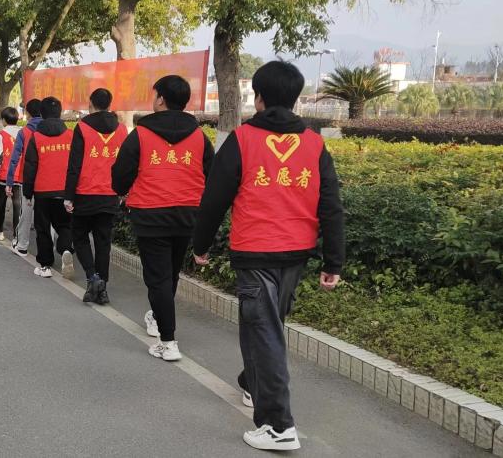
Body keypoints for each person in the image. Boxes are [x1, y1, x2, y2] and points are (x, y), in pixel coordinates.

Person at [191, 61, 345, 451]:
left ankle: (278, 425)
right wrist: (333, 261)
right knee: (266, 327)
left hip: (255, 251)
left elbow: (214, 200)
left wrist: (201, 245)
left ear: (258, 98)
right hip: (296, 254)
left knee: (264, 332)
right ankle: (252, 384)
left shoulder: (242, 140)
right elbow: (331, 205)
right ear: (293, 98)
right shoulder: (314, 144)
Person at [112, 75, 213, 362]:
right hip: (187, 214)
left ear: (160, 99)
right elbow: (213, 176)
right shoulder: (199, 137)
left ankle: (167, 342)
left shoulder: (141, 135)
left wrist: (123, 190)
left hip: (150, 215)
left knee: (158, 278)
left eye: (154, 94)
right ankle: (158, 318)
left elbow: (120, 177)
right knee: (170, 273)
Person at [63, 88, 124, 304]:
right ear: (109, 104)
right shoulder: (122, 130)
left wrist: (68, 196)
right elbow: (125, 164)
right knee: (103, 242)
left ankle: (93, 277)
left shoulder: (82, 127)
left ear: (91, 104)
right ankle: (102, 287)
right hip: (110, 194)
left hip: (85, 193)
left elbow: (74, 165)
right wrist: (122, 191)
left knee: (79, 236)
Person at [23, 96, 74, 279]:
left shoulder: (36, 137)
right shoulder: (71, 136)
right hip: (65, 190)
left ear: (42, 114)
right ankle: (66, 249)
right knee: (65, 225)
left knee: (43, 228)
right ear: (60, 113)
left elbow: (30, 167)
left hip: (42, 191)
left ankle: (45, 266)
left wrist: (27, 192)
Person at [5, 99, 42, 257]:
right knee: (47, 216)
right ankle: (51, 249)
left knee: (25, 214)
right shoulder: (49, 130)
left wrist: (9, 181)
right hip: (47, 180)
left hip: (26, 179)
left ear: (27, 113)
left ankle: (22, 246)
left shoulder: (24, 132)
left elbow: (14, 159)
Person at [0, 107, 22, 241]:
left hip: (4, 175)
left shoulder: (1, 135)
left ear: (3, 120)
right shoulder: (23, 133)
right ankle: (17, 236)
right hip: (20, 175)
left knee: (0, 204)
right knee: (18, 206)